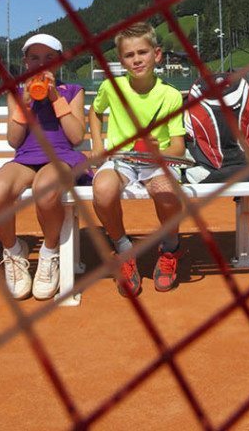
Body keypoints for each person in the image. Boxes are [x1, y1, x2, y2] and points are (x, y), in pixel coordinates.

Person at [0, 33, 87, 301]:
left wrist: (55, 97)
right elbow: (14, 140)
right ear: (25, 62)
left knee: (46, 188)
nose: (42, 64)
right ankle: (14, 252)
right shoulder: (16, 94)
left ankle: (49, 253)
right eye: (35, 58)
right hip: (26, 157)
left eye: (49, 58)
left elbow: (77, 138)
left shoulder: (73, 91)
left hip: (62, 157)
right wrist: (27, 103)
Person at [90, 22, 186, 296]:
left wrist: (160, 153)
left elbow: (178, 148)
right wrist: (97, 143)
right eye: (129, 55)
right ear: (121, 60)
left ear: (157, 55)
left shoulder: (170, 96)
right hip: (121, 163)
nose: (136, 60)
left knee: (165, 191)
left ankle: (170, 248)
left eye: (142, 53)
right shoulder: (111, 87)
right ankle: (122, 248)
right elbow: (95, 113)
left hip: (158, 164)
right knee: (102, 189)